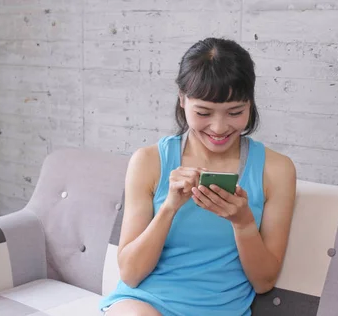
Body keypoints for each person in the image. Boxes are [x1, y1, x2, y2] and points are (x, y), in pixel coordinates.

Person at [98, 37, 297, 316]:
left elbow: (264, 282)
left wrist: (243, 224)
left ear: (250, 104)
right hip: (144, 305)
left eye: (235, 112)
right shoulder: (149, 161)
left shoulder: (277, 170)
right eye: (203, 112)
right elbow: (130, 274)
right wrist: (169, 208)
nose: (219, 127)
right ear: (182, 99)